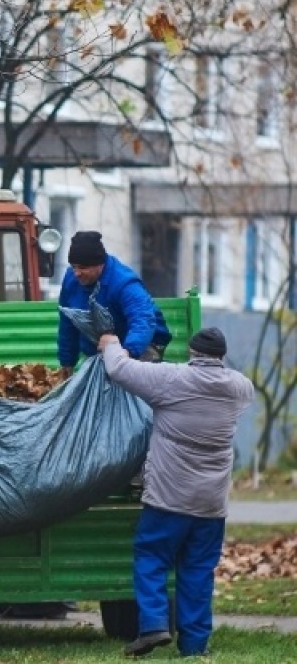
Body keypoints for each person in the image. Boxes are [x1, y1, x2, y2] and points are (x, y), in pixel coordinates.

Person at [99, 327, 254, 658]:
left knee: (151, 556)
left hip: (169, 497)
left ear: (193, 353)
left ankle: (154, 624)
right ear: (221, 357)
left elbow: (119, 369)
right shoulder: (240, 387)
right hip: (211, 503)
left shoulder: (171, 379)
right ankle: (195, 646)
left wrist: (111, 344)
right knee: (198, 570)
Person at [57, 230, 172, 375]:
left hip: (143, 343)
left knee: (130, 384)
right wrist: (66, 364)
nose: (77, 273)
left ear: (100, 265)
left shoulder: (124, 283)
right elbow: (68, 323)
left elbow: (143, 320)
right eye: (74, 266)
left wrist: (126, 354)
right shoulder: (71, 280)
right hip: (101, 344)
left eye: (83, 268)